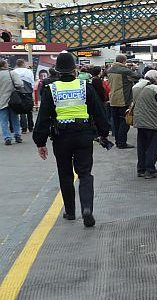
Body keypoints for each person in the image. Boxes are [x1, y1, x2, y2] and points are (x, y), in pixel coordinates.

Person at [33, 52, 112, 227]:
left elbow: (43, 118)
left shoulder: (51, 90)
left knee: (65, 173)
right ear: (74, 69)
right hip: (83, 134)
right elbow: (99, 112)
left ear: (58, 71)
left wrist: (40, 142)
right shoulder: (85, 87)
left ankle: (70, 212)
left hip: (61, 137)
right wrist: (104, 132)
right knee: (85, 173)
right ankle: (87, 208)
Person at [132, 69, 157, 179]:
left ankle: (141, 169)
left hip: (139, 121)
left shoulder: (137, 87)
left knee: (142, 146)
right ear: (156, 79)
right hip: (152, 121)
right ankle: (150, 170)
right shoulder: (155, 89)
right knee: (153, 147)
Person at [107, 54, 138, 149]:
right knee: (124, 122)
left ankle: (117, 141)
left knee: (116, 122)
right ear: (124, 61)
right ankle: (122, 143)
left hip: (112, 99)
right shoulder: (125, 71)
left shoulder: (109, 70)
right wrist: (134, 68)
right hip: (123, 100)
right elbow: (138, 76)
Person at [0, 59, 24, 145]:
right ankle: (17, 135)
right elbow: (19, 84)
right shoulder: (12, 73)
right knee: (15, 119)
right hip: (13, 100)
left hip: (1, 101)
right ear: (5, 65)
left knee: (3, 120)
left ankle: (7, 138)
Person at [13, 58, 35, 133]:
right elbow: (32, 82)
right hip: (28, 92)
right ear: (23, 64)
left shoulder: (14, 72)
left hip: (18, 92)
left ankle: (24, 128)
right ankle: (31, 127)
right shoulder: (29, 71)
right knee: (29, 109)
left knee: (21, 110)